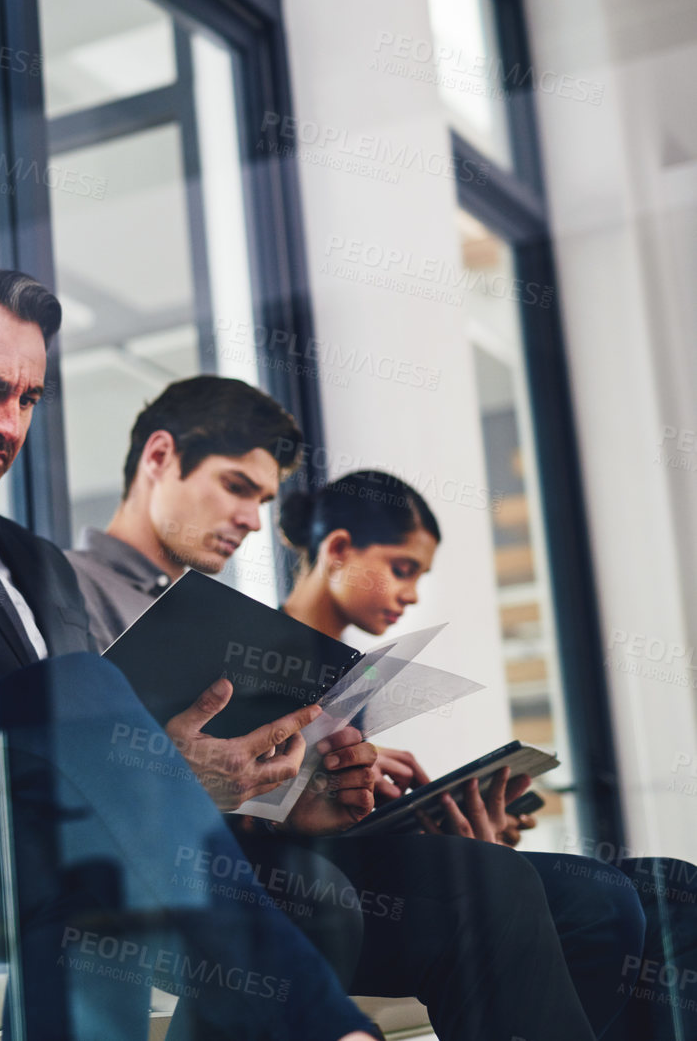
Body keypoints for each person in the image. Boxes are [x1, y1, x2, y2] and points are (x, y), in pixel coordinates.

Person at [0, 270, 380, 1041]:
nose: (8, 422)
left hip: (63, 840)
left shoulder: (36, 561)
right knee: (82, 699)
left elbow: (104, 745)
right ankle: (324, 1029)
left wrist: (220, 781)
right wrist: (136, 762)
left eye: (27, 400)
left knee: (307, 896)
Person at [65, 376, 627, 1041]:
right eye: (237, 488)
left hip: (272, 852)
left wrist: (314, 802)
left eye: (264, 499)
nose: (252, 519)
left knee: (612, 896)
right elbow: (81, 774)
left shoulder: (220, 618)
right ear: (159, 457)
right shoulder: (63, 588)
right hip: (174, 877)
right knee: (490, 887)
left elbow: (256, 802)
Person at [279, 469, 693, 1041]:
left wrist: (435, 826)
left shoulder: (354, 679)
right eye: (402, 569)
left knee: (670, 886)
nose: (412, 594)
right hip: (297, 880)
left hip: (363, 863)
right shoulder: (257, 655)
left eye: (420, 576)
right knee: (598, 898)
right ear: (339, 549)